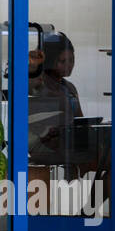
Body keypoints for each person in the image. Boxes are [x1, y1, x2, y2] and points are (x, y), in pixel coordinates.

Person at [28, 32, 84, 166]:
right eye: (63, 61)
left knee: (107, 154)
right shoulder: (38, 84)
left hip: (65, 142)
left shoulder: (69, 88)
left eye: (72, 60)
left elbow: (80, 121)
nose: (69, 65)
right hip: (41, 144)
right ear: (50, 61)